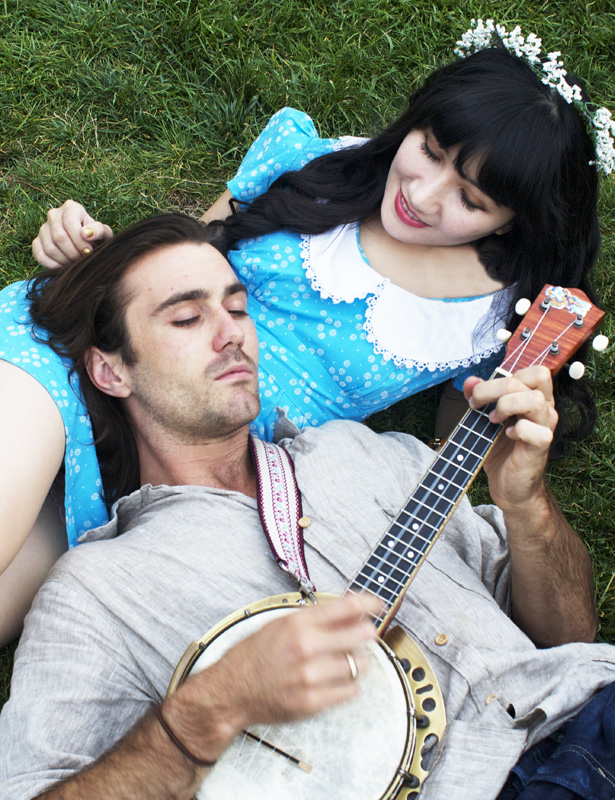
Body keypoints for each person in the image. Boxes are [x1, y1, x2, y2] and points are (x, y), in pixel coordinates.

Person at [0, 23, 610, 642]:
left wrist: (500, 436)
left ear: (510, 223)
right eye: (428, 151)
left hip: (192, 440)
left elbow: (456, 453)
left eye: (469, 199)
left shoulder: (493, 321)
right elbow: (194, 248)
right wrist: (105, 256)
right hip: (103, 353)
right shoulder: (314, 162)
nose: (423, 195)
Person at [0, 212, 613, 800]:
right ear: (111, 371)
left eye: (237, 307)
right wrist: (200, 716)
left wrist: (527, 506)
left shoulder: (380, 455)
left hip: (592, 707)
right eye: (187, 318)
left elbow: (570, 632)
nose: (231, 331)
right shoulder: (99, 589)